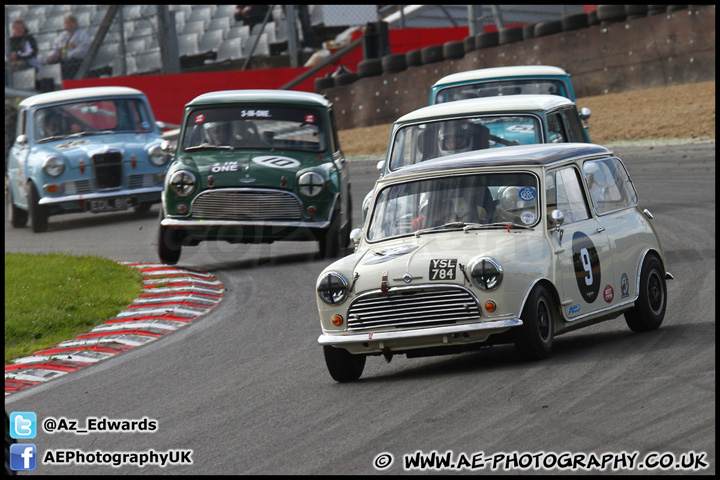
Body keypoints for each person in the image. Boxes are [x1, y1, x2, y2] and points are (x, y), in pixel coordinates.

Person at [46, 13, 92, 80]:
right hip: (62, 60)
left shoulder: (81, 34)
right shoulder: (62, 36)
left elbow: (83, 49)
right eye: (66, 23)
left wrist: (69, 54)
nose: (68, 25)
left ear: (75, 23)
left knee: (70, 65)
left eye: (70, 23)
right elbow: (55, 47)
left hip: (75, 60)